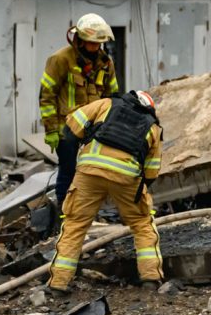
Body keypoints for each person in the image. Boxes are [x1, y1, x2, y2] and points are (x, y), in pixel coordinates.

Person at [48, 90, 164, 292]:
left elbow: (71, 127)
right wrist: (137, 193)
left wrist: (70, 164)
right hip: (127, 177)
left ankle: (58, 283)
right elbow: (152, 171)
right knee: (142, 224)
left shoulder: (106, 104)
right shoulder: (153, 127)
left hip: (89, 172)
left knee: (75, 224)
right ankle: (150, 279)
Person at [39, 13, 119, 207]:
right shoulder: (60, 59)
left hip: (94, 128)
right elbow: (47, 95)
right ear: (80, 40)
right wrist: (51, 130)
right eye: (92, 43)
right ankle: (65, 213)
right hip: (66, 128)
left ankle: (88, 212)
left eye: (99, 43)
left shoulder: (106, 63)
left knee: (93, 171)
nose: (95, 47)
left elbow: (113, 96)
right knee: (68, 171)